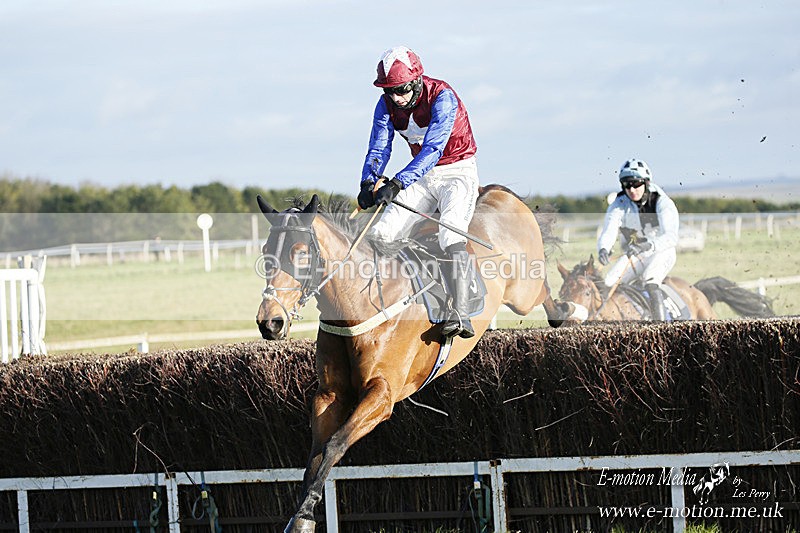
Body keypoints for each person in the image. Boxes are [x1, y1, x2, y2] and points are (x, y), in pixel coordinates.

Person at [357, 45, 479, 339]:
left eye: (400, 90)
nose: (396, 98)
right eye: (389, 91)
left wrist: (397, 184)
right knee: (381, 234)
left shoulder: (442, 97)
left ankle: (461, 313)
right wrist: (367, 182)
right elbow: (379, 146)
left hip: (457, 172)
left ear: (416, 81)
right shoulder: (385, 104)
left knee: (450, 234)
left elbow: (433, 150)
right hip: (422, 175)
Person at [596, 159, 680, 320]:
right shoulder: (619, 203)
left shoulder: (662, 202)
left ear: (646, 183)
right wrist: (604, 248)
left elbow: (671, 237)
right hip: (636, 254)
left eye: (636, 184)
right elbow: (610, 229)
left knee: (650, 279)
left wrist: (647, 245)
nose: (632, 190)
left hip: (661, 252)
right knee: (609, 282)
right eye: (627, 185)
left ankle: (661, 328)